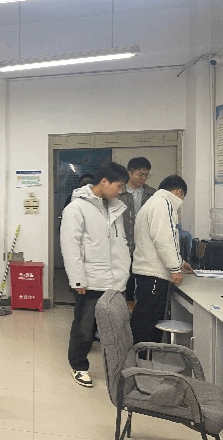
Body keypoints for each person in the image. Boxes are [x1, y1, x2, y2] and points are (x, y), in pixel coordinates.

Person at [60, 162, 130, 387]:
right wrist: (77, 279)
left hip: (116, 280)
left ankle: (118, 369)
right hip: (90, 280)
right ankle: (78, 365)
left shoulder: (115, 208)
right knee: (85, 327)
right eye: (118, 186)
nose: (120, 191)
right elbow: (70, 246)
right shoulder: (76, 208)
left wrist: (124, 272)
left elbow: (120, 243)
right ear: (104, 182)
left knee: (116, 328)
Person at [130, 175, 193, 344]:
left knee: (144, 314)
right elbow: (164, 239)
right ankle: (141, 353)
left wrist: (180, 263)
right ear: (178, 192)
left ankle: (139, 352)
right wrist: (175, 268)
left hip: (147, 271)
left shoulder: (152, 202)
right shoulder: (164, 203)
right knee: (148, 318)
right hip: (154, 273)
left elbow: (159, 240)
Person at [117, 157, 157, 301]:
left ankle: (139, 310)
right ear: (130, 173)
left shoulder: (152, 194)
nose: (143, 178)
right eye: (140, 174)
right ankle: (124, 308)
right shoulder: (118, 193)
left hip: (144, 246)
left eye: (146, 175)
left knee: (144, 284)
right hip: (122, 245)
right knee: (124, 283)